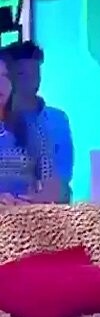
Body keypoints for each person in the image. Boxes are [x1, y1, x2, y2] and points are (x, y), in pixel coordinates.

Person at [5, 41, 73, 202]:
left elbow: (63, 178)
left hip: (46, 208)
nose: (31, 80)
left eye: (34, 73)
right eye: (22, 74)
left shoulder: (57, 120)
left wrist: (39, 200)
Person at [0, 53, 60, 204]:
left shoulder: (33, 129)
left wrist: (35, 201)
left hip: (25, 213)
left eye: (5, 76)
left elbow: (51, 184)